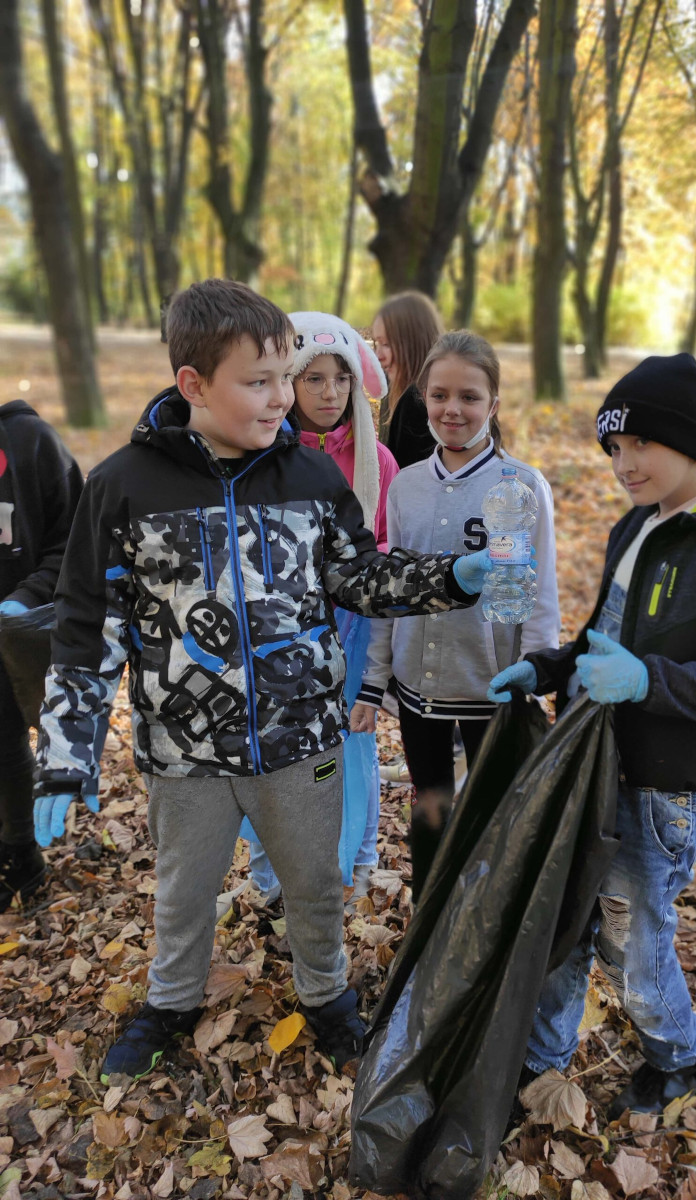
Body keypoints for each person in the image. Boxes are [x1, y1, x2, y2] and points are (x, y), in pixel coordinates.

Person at [33, 279, 494, 1084]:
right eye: (260, 381)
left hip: (301, 743)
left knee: (314, 882)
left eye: (287, 377)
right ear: (193, 384)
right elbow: (87, 626)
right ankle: (171, 1001)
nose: (284, 398)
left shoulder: (309, 479)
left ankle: (325, 993)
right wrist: (67, 751)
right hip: (186, 754)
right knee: (183, 890)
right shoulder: (123, 488)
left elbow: (360, 576)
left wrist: (451, 577)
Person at [488, 352, 696, 1120]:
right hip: (595, 765)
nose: (622, 464)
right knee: (564, 919)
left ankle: (677, 1056)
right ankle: (539, 1061)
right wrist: (547, 667)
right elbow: (605, 634)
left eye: (640, 443)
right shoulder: (637, 524)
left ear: (690, 442)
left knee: (629, 942)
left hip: (669, 785)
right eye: (612, 447)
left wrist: (647, 682)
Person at [354, 329, 560, 899]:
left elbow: (539, 595)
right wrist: (374, 679)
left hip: (491, 689)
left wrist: (536, 675)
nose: (453, 409)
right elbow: (392, 589)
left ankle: (482, 928)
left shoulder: (522, 487)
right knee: (432, 812)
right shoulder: (407, 486)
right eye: (440, 395)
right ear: (423, 397)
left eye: (469, 396)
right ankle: (429, 917)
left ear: (493, 404)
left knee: (492, 824)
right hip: (418, 689)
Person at [238, 310, 399, 910]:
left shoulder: (377, 461)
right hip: (277, 631)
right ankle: (270, 875)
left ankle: (355, 861)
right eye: (314, 379)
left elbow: (385, 550)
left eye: (342, 378)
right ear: (289, 381)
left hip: (352, 626)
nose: (330, 392)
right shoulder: (259, 455)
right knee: (276, 741)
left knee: (350, 741)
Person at [0, 400, 83, 912]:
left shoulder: (31, 442)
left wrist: (26, 597)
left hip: (18, 633)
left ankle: (20, 852)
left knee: (7, 739)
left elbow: (75, 538)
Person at [371, 290, 444, 469]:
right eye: (377, 344)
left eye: (386, 344)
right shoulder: (427, 393)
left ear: (413, 342)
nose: (378, 355)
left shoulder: (415, 400)